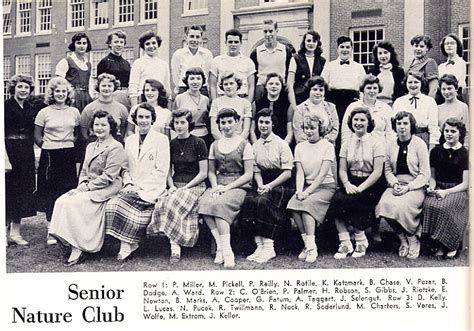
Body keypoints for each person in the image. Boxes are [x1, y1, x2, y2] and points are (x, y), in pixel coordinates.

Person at [48, 111, 126, 266]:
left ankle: (79, 247)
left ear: (111, 127)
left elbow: (109, 176)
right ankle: (68, 241)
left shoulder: (116, 147)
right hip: (89, 186)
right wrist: (82, 184)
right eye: (96, 124)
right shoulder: (91, 146)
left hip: (107, 187)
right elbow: (84, 170)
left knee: (72, 203)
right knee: (61, 201)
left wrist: (86, 188)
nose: (99, 128)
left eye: (103, 125)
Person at [105, 103, 169, 261]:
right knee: (113, 204)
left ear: (153, 119)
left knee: (126, 204)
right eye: (140, 117)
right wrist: (128, 183)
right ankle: (128, 243)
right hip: (131, 186)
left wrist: (140, 187)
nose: (144, 120)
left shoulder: (161, 140)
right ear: (135, 119)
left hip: (152, 187)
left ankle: (127, 245)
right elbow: (125, 167)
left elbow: (162, 170)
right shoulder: (130, 140)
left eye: (147, 117)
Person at [147, 110, 208, 263]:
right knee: (163, 201)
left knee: (174, 202)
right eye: (176, 123)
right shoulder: (171, 144)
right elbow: (167, 169)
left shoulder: (199, 143)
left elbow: (203, 173)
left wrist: (186, 186)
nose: (179, 126)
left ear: (189, 124)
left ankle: (175, 247)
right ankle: (174, 240)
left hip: (195, 185)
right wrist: (171, 185)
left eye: (183, 122)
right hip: (176, 185)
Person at [198, 108, 254, 268]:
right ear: (219, 125)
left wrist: (227, 187)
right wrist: (215, 187)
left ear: (237, 123)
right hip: (219, 182)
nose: (227, 126)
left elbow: (249, 174)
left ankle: (227, 252)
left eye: (230, 122)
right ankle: (221, 247)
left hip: (239, 184)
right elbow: (210, 171)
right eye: (223, 122)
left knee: (220, 205)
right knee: (204, 203)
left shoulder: (245, 145)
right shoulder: (215, 145)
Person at [240, 108, 293, 263]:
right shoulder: (255, 145)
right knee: (250, 200)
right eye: (261, 122)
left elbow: (288, 172)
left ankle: (269, 247)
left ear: (272, 124)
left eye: (267, 122)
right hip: (262, 181)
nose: (263, 126)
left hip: (280, 182)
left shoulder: (281, 144)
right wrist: (261, 184)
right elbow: (255, 169)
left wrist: (269, 186)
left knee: (263, 202)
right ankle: (259, 246)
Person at [331, 107, 385, 259]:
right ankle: (345, 242)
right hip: (351, 180)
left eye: (362, 120)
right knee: (337, 200)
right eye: (356, 120)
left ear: (369, 123)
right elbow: (342, 169)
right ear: (351, 122)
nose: (358, 123)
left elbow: (377, 172)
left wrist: (361, 187)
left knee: (358, 200)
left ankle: (361, 240)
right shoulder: (346, 143)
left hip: (371, 183)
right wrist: (347, 184)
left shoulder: (376, 142)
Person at [375, 111, 430, 259]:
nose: (402, 127)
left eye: (405, 123)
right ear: (395, 126)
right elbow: (387, 170)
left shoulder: (420, 144)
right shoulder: (391, 144)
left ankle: (413, 239)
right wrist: (394, 184)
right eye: (399, 123)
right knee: (384, 204)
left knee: (402, 207)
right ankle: (402, 239)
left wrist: (408, 187)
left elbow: (425, 174)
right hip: (396, 184)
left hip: (415, 185)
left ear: (411, 125)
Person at [34, 77, 80, 245]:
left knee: (68, 190)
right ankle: (51, 231)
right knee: (50, 191)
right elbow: (37, 136)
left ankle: (66, 230)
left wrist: (66, 144)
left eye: (63, 91)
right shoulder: (44, 112)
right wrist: (49, 146)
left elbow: (76, 134)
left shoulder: (74, 112)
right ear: (51, 93)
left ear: (67, 93)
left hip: (67, 155)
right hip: (50, 155)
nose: (60, 94)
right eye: (57, 91)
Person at [287, 112, 336, 263]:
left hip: (325, 187)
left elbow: (322, 174)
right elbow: (300, 173)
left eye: (312, 128)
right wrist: (299, 191)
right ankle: (308, 245)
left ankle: (311, 248)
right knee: (293, 205)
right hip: (307, 187)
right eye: (306, 128)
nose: (308, 131)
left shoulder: (328, 146)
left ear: (320, 129)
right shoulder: (300, 147)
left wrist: (307, 193)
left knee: (306, 206)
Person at [422, 118, 468, 259]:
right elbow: (433, 176)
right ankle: (434, 243)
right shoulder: (436, 151)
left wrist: (446, 192)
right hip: (439, 186)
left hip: (457, 190)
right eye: (447, 131)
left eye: (453, 131)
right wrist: (432, 187)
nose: (449, 134)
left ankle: (450, 244)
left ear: (460, 133)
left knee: (444, 207)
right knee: (428, 204)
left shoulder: (464, 154)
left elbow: (465, 183)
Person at [4, 74, 37, 245]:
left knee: (22, 192)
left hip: (26, 153)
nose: (23, 90)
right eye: (20, 87)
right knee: (7, 192)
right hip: (9, 151)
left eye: (26, 87)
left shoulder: (31, 108)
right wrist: (4, 159)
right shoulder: (5, 106)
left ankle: (15, 233)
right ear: (13, 88)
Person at [321, 35, 366, 139]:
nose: (345, 50)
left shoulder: (358, 67)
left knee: (350, 129)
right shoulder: (329, 66)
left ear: (351, 49)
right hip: (334, 101)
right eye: (342, 47)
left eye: (347, 47)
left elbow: (363, 88)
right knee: (335, 128)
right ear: (337, 49)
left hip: (352, 101)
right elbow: (323, 84)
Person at [341, 75, 394, 146]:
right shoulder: (353, 107)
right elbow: (346, 132)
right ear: (363, 90)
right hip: (357, 148)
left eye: (375, 88)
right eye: (369, 88)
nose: (372, 91)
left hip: (380, 150)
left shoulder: (386, 109)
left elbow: (390, 134)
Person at [392, 71, 440, 150]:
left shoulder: (430, 101)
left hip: (423, 138)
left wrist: (431, 149)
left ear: (421, 83)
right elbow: (394, 127)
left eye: (416, 82)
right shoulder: (399, 102)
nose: (413, 85)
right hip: (404, 139)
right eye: (410, 82)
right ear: (406, 83)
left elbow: (433, 128)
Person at [250, 19, 294, 102]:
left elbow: (289, 72)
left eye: (271, 31)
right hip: (262, 89)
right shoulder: (256, 52)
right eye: (265, 32)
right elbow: (253, 75)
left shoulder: (286, 50)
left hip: (280, 88)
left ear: (276, 31)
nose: (268, 34)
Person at [209, 29, 255, 103]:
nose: (233, 45)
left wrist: (248, 103)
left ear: (241, 43)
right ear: (226, 43)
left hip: (242, 98)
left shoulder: (248, 62)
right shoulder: (217, 61)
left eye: (236, 42)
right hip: (222, 99)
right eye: (230, 42)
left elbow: (251, 86)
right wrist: (215, 103)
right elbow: (212, 85)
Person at [80, 73, 128, 143]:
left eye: (109, 86)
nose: (106, 88)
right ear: (98, 87)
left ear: (114, 87)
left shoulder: (122, 109)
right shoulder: (89, 108)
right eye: (103, 86)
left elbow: (123, 129)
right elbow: (84, 129)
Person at [129, 30, 171, 107]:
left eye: (154, 43)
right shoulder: (138, 63)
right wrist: (134, 107)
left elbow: (167, 88)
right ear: (143, 47)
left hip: (160, 100)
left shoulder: (164, 64)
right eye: (147, 44)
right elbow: (133, 86)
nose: (151, 46)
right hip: (143, 99)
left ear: (158, 44)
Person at [292, 76, 339, 145]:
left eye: (321, 90)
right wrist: (312, 144)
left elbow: (335, 129)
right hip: (306, 147)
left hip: (327, 147)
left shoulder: (331, 107)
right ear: (309, 91)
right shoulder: (300, 109)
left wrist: (323, 143)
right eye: (315, 89)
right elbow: (298, 132)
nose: (318, 93)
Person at [287, 30, 326, 109]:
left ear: (317, 43)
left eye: (314, 41)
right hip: (299, 99)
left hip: (316, 101)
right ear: (304, 42)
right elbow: (289, 84)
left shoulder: (322, 61)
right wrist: (294, 107)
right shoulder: (295, 58)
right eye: (308, 40)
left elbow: (323, 84)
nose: (311, 43)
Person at [55, 32, 93, 112]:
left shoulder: (88, 64)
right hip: (72, 98)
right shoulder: (66, 61)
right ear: (74, 45)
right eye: (78, 43)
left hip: (86, 97)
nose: (82, 46)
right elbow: (58, 84)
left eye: (84, 43)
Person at [171, 25, 213, 97]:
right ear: (186, 38)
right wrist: (179, 87)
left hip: (202, 89)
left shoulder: (207, 54)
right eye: (191, 36)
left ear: (201, 39)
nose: (194, 40)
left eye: (197, 37)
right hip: (183, 88)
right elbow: (176, 75)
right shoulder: (178, 54)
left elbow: (207, 74)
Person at [173, 67, 211, 147]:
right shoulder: (179, 98)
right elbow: (174, 120)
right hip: (186, 136)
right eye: (192, 79)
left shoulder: (206, 99)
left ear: (203, 81)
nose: (195, 82)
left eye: (198, 79)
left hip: (204, 136)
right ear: (187, 81)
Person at [252, 73, 293, 145]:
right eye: (271, 83)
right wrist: (257, 146)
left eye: (277, 84)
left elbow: (290, 132)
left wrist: (283, 146)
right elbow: (252, 130)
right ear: (265, 86)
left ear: (281, 87)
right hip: (260, 143)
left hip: (281, 143)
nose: (274, 86)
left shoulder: (287, 105)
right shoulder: (257, 104)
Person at [209, 72, 252, 141]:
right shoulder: (216, 102)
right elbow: (214, 129)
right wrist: (225, 143)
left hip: (240, 141)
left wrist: (236, 143)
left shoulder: (245, 103)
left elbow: (246, 130)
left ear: (237, 85)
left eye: (231, 83)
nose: (229, 86)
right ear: (222, 86)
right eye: (225, 84)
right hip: (221, 141)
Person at [97, 30, 131, 109]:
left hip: (125, 97)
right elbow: (100, 85)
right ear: (109, 44)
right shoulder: (104, 62)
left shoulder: (126, 63)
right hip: (110, 96)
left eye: (121, 42)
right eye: (116, 42)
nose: (119, 45)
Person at [369, 40, 405, 105]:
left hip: (393, 104)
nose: (383, 56)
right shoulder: (372, 71)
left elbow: (401, 93)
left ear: (391, 54)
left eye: (385, 52)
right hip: (374, 104)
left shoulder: (399, 71)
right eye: (380, 53)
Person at [437, 74, 469, 146]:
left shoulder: (463, 107)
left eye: (449, 88)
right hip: (442, 146)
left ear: (456, 88)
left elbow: (467, 131)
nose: (446, 92)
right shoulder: (438, 108)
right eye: (443, 89)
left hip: (458, 145)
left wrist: (465, 148)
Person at [438, 33, 467, 102]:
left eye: (452, 43)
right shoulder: (441, 67)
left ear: (457, 46)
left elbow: (458, 83)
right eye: (446, 44)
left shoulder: (461, 63)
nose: (449, 45)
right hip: (443, 98)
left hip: (457, 97)